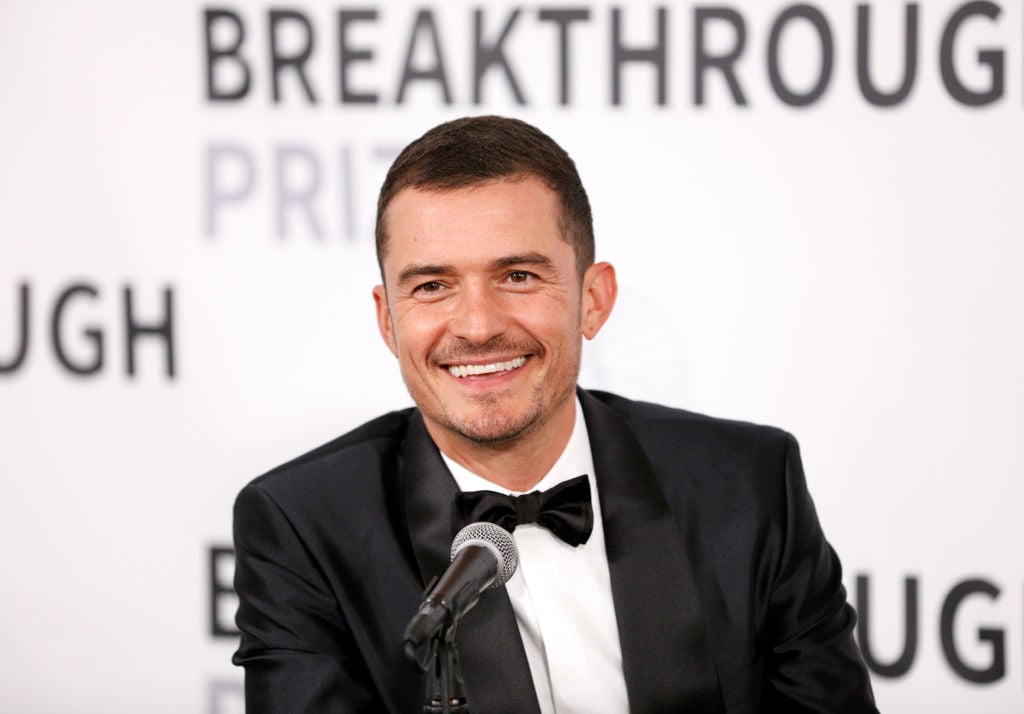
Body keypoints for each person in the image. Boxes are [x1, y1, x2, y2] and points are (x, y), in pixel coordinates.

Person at [232, 116, 878, 713]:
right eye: (432, 286)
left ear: (593, 300)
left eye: (517, 276)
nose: (479, 327)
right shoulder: (305, 525)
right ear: (387, 319)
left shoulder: (749, 484)